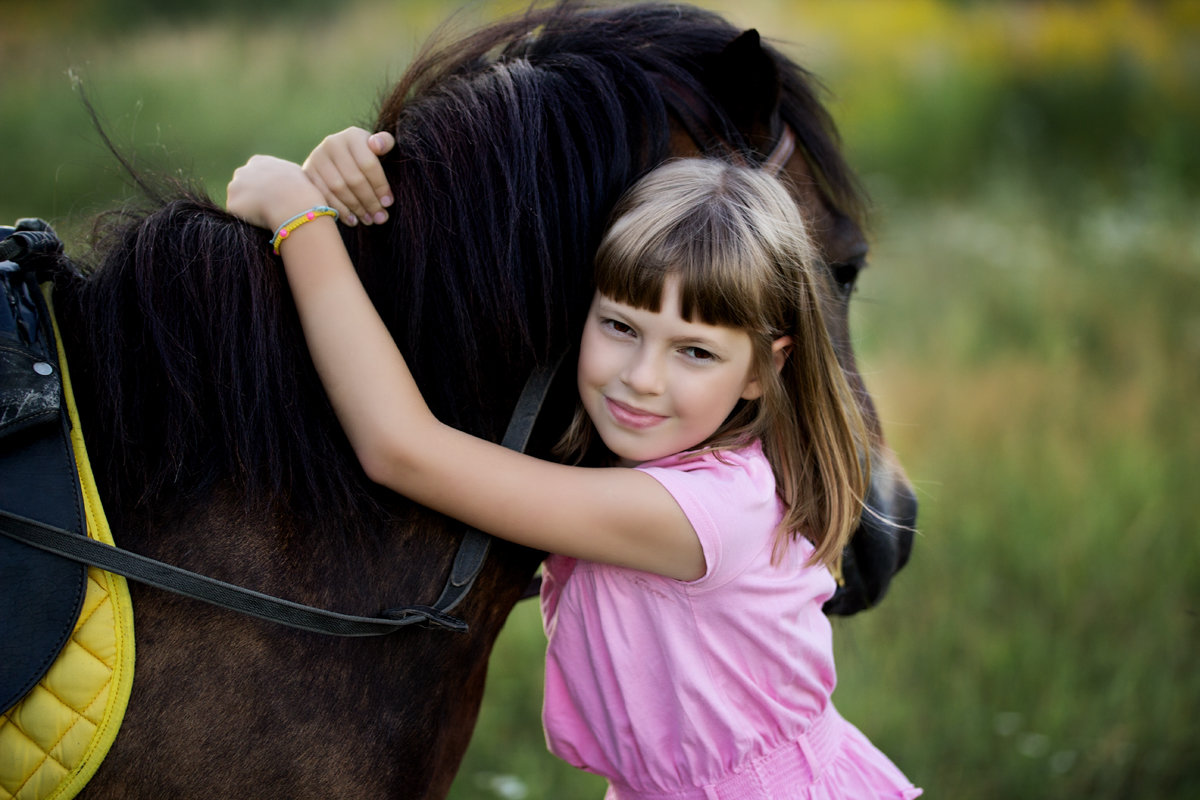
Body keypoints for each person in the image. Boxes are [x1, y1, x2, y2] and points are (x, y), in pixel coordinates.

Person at [225, 128, 921, 799]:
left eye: (695, 351)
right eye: (620, 326)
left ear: (763, 370)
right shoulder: (671, 452)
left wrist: (303, 220)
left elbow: (400, 449)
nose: (642, 378)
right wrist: (354, 183)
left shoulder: (697, 512)